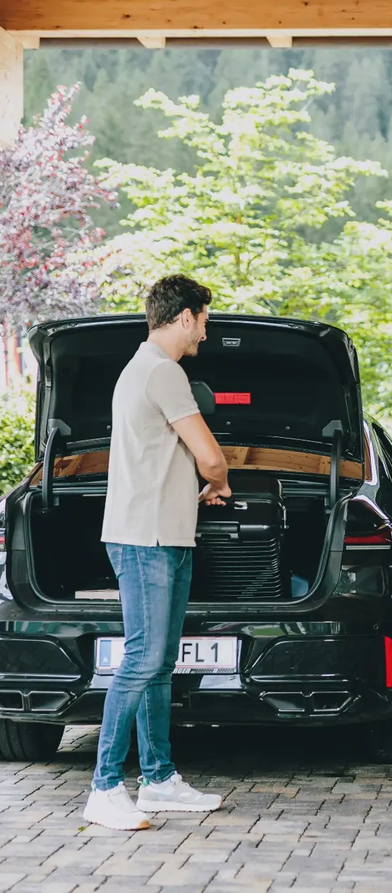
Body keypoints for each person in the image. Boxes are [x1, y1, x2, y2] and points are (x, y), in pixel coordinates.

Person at [83, 275, 232, 831]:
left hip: (162, 534)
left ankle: (159, 780)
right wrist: (217, 483)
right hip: (146, 538)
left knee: (159, 664)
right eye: (205, 320)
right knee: (144, 659)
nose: (207, 332)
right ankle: (104, 789)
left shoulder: (141, 368)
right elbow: (210, 458)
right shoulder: (164, 372)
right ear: (185, 316)